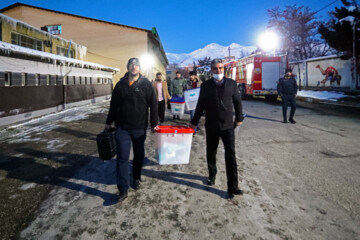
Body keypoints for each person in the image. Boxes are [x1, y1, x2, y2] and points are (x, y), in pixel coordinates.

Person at [105, 57, 158, 202]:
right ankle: (123, 189)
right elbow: (113, 105)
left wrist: (154, 123)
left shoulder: (146, 84)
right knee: (122, 158)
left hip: (140, 128)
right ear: (127, 67)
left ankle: (136, 177)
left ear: (140, 68)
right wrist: (109, 121)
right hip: (122, 128)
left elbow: (153, 105)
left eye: (136, 65)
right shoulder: (120, 85)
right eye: (131, 65)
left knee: (139, 156)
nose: (134, 67)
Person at [189, 59, 244, 196]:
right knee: (211, 152)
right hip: (212, 125)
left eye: (220, 68)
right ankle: (212, 175)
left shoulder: (232, 84)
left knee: (230, 154)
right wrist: (194, 122)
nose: (218, 71)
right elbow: (200, 105)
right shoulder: (206, 86)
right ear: (211, 70)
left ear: (223, 69)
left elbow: (237, 102)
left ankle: (233, 186)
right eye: (215, 69)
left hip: (227, 125)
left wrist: (238, 119)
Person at [186, 70, 201, 135]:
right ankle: (193, 130)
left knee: (197, 115)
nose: (191, 77)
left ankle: (196, 127)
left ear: (195, 76)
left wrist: (199, 80)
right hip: (191, 101)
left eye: (192, 75)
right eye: (190, 75)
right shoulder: (188, 83)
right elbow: (186, 90)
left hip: (198, 101)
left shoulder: (199, 82)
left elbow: (202, 88)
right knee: (192, 116)